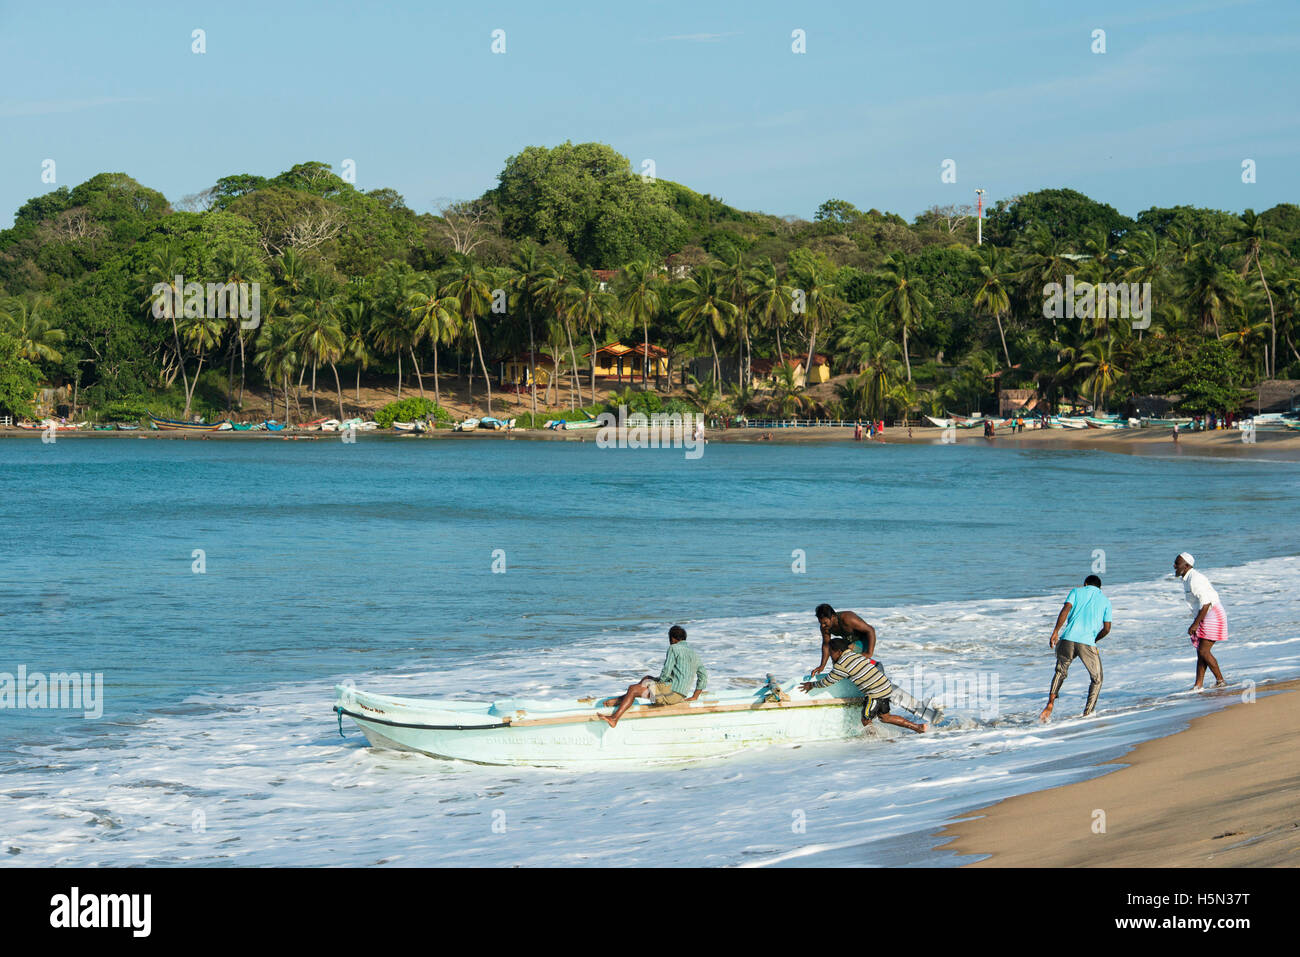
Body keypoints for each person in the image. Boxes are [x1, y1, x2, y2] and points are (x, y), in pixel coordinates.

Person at [812, 604, 943, 723]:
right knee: (838, 657)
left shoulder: (847, 618)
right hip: (850, 646)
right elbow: (826, 645)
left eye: (824, 623)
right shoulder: (825, 628)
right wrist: (822, 665)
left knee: (847, 653)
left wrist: (869, 652)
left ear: (833, 616)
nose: (823, 626)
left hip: (863, 642)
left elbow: (871, 630)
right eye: (820, 623)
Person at [800, 638, 927, 734]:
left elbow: (828, 681)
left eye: (831, 653)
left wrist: (811, 685)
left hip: (875, 693)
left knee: (866, 719)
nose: (830, 656)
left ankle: (873, 739)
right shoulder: (855, 655)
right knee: (885, 717)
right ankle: (918, 728)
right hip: (886, 687)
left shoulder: (841, 665)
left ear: (838, 652)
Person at [599, 625, 707, 728]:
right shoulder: (694, 654)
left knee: (633, 689)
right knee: (647, 678)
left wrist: (658, 684)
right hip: (680, 695)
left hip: (670, 694)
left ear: (673, 639)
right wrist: (695, 696)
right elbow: (703, 676)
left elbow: (666, 671)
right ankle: (618, 701)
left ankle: (614, 718)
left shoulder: (674, 648)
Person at [1038, 574, 1112, 722]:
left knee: (1060, 671)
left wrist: (1055, 631)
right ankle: (1088, 713)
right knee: (1097, 678)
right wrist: (1094, 639)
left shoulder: (1076, 592)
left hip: (1067, 639)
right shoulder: (1105, 601)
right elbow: (1107, 628)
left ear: (1085, 584)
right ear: (1100, 588)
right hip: (1087, 643)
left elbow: (1066, 609)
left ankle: (1050, 703)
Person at [1173, 553, 1227, 689]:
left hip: (1212, 613)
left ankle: (1220, 681)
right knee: (1201, 651)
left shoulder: (1195, 579)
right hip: (1206, 614)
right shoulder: (1187, 578)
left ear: (1186, 566)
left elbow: (1206, 603)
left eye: (1177, 564)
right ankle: (1198, 685)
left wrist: (1195, 624)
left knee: (1203, 651)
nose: (1174, 566)